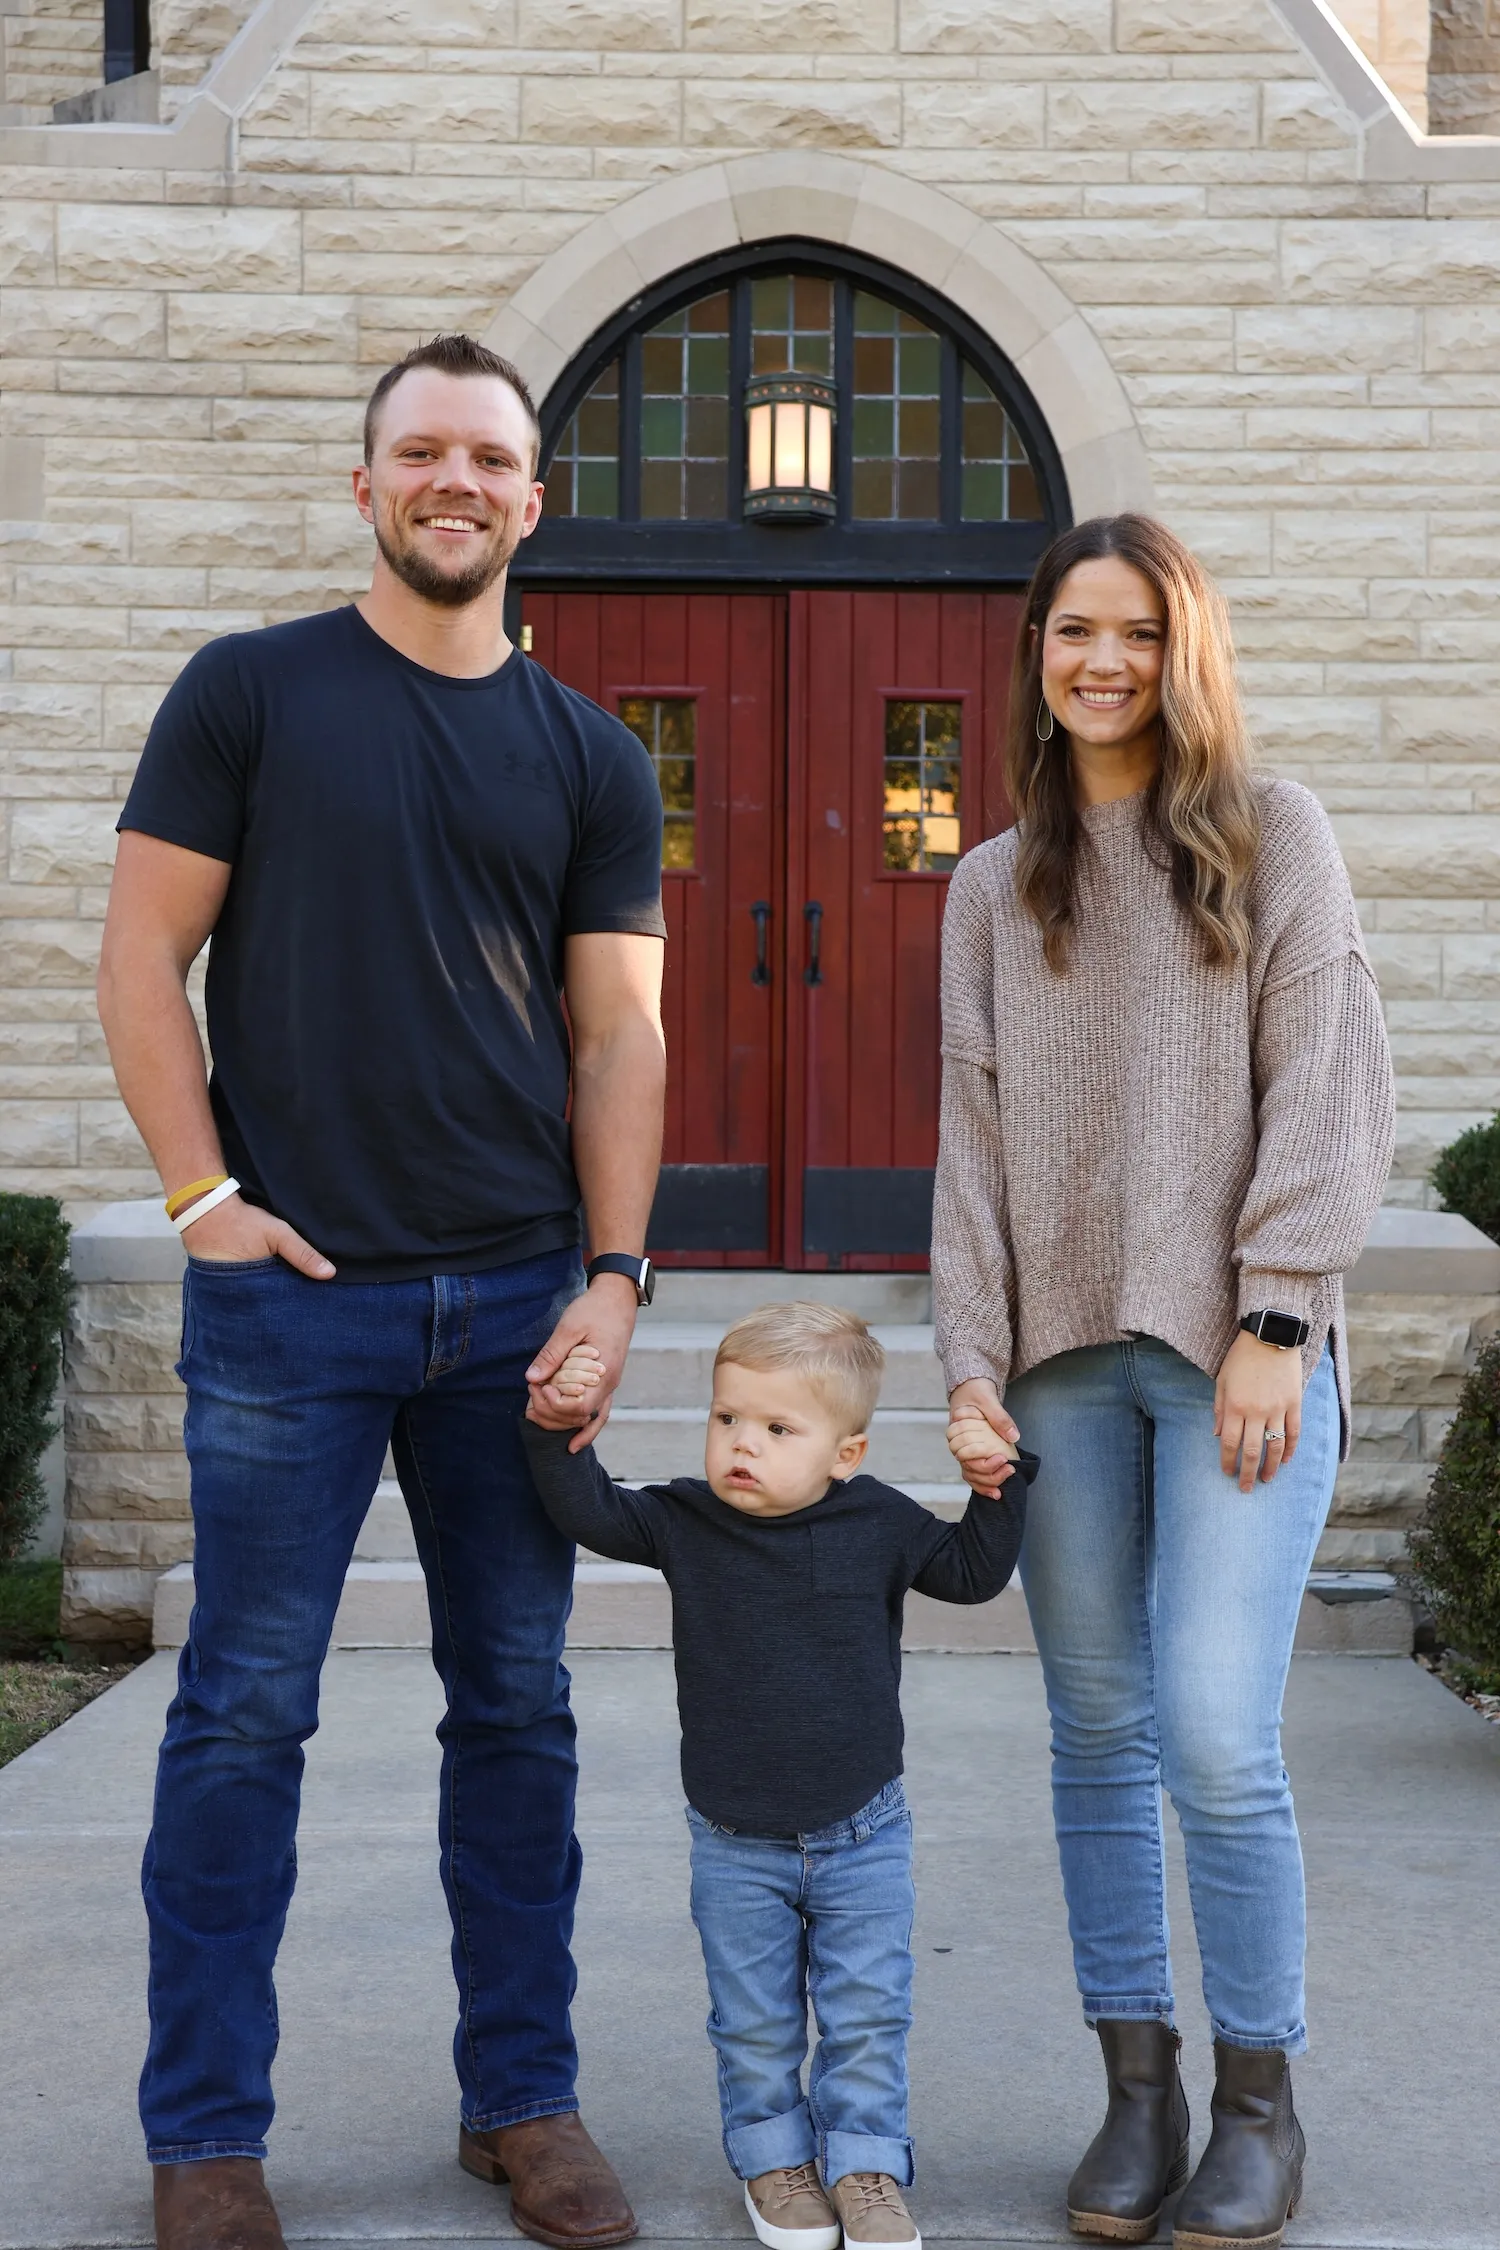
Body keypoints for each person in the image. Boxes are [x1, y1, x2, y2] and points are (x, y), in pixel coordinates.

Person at [96, 333, 668, 2250]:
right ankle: (205, 2137)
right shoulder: (248, 693)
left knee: (517, 1709)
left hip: (512, 1312)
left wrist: (613, 1275)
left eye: (490, 457)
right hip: (293, 1310)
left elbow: (620, 1038)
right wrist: (203, 1199)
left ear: (533, 497)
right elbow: (139, 960)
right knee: (244, 1715)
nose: (457, 481)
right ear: (367, 486)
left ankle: (524, 2101)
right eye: (419, 451)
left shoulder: (588, 751)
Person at [932, 515, 1395, 2250]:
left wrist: (1277, 1318)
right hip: (1058, 1373)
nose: (1101, 661)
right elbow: (969, 1147)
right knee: (1098, 1737)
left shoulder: (1275, 836)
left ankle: (1263, 2102)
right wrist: (970, 1365)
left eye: (1133, 632)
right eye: (1071, 633)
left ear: (1181, 649)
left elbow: (1333, 1087)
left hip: (1233, 1368)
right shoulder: (992, 881)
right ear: (1037, 656)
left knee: (1213, 1734)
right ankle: (1139, 2093)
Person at [520, 1304, 1037, 2250]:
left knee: (868, 2014)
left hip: (864, 1831)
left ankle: (867, 2165)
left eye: (776, 1428)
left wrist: (996, 1489)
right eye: (727, 1420)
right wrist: (557, 1431)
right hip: (735, 1838)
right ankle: (775, 2160)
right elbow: (592, 1510)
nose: (741, 1446)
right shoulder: (687, 1519)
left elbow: (968, 1576)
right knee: (754, 2022)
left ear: (847, 1452)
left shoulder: (878, 1519)